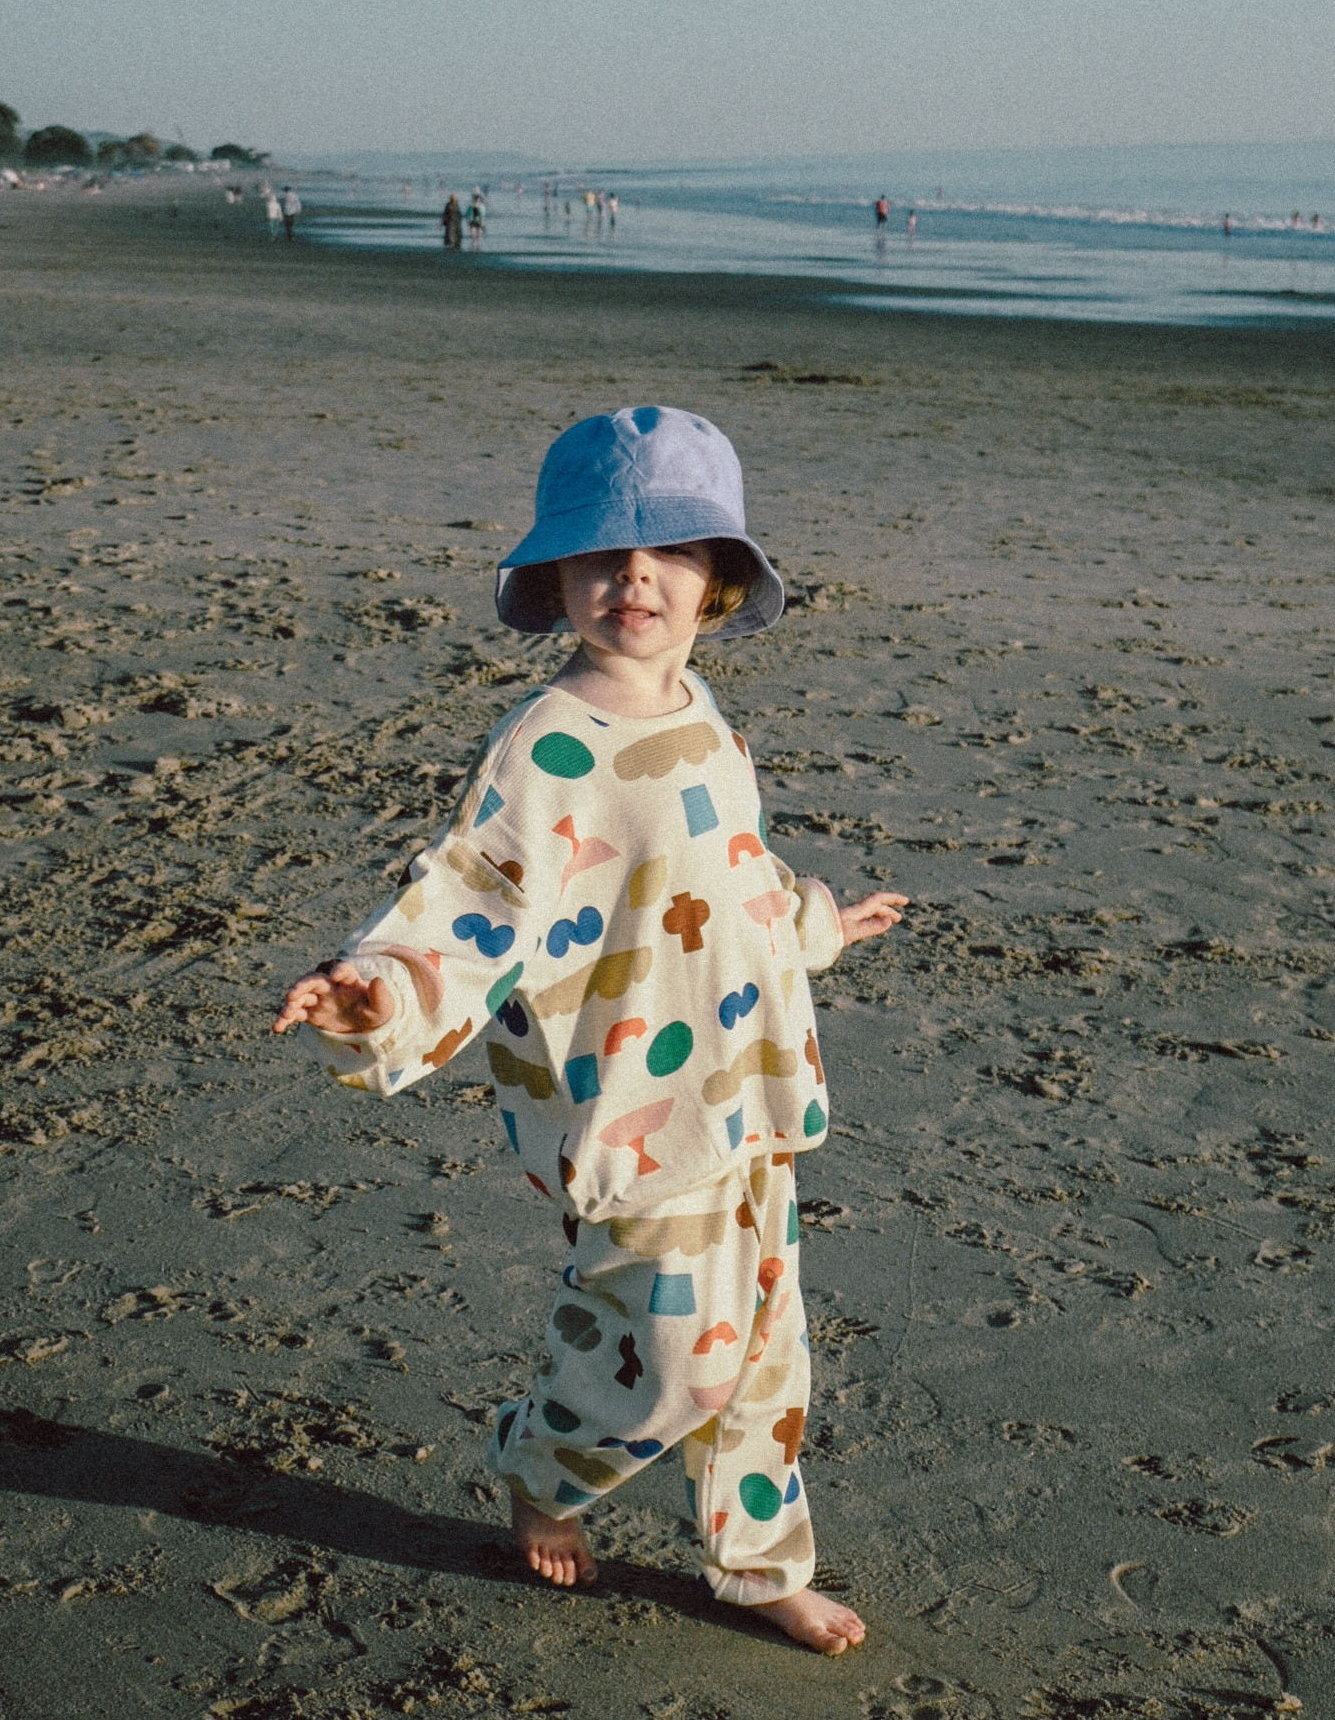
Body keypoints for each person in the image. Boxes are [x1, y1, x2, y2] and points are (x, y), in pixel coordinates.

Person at [273, 407, 908, 1656]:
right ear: (554, 580)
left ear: (717, 582)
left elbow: (728, 882)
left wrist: (818, 922)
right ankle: (542, 1464)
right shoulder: (546, 748)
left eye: (670, 552)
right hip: (635, 1100)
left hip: (748, 1090)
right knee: (675, 1355)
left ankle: (758, 1560)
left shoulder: (705, 717)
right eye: (602, 556)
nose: (635, 578)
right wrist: (381, 990)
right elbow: (470, 895)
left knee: (767, 1357)